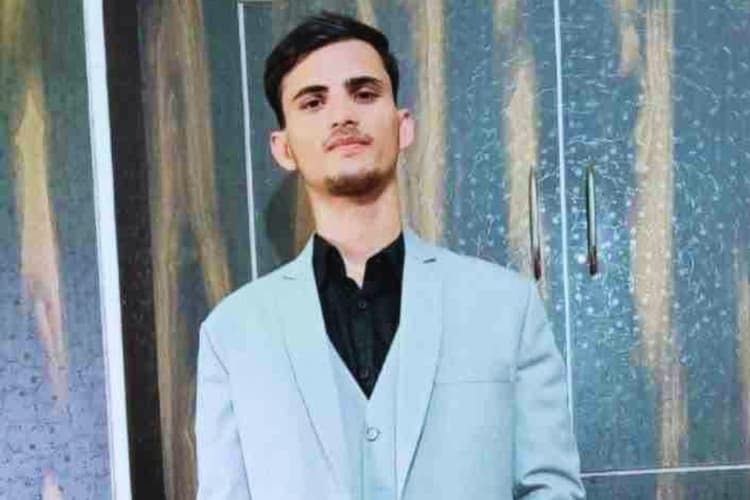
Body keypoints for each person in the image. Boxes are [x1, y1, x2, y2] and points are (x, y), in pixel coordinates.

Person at [195, 11, 584, 500]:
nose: (342, 116)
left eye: (363, 93)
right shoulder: (231, 334)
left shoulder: (507, 307)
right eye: (313, 102)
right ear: (283, 148)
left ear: (403, 127)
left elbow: (551, 488)